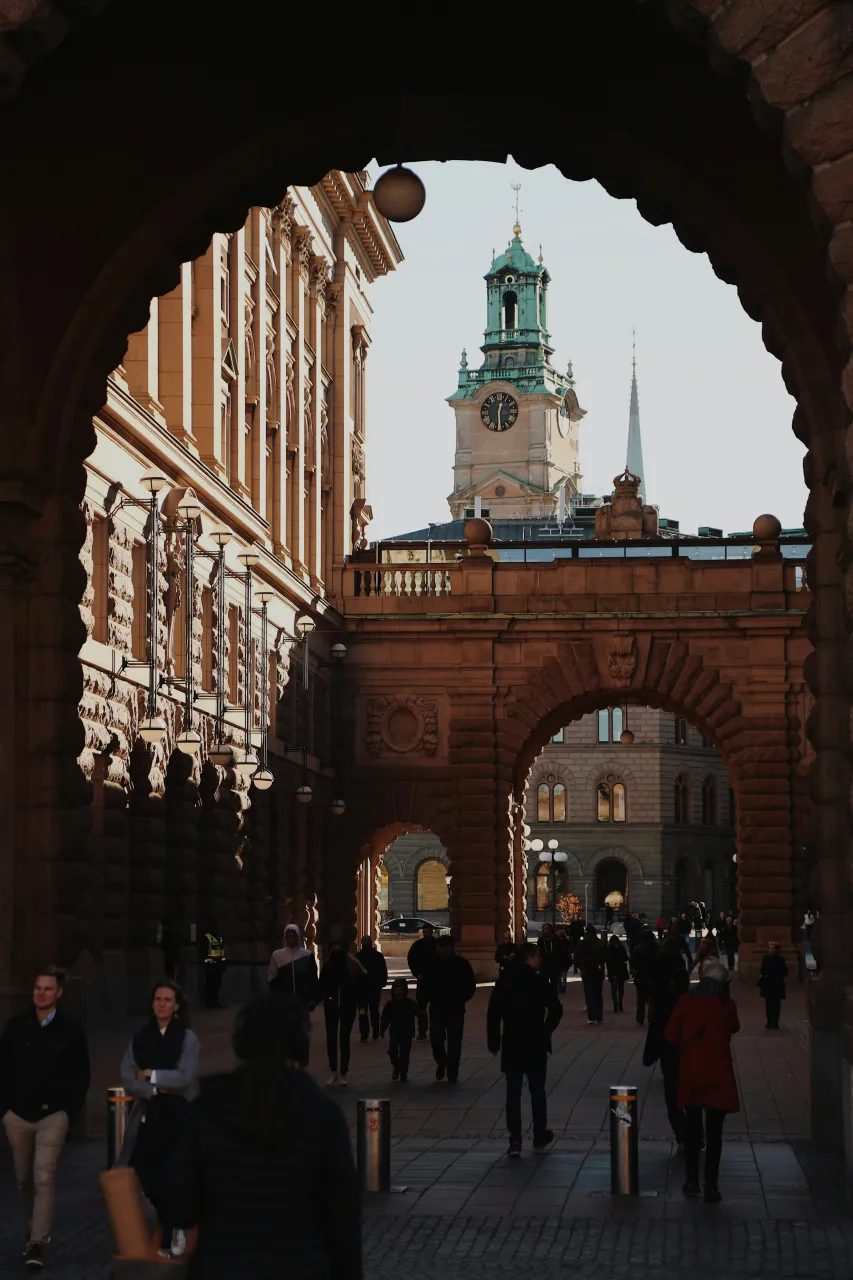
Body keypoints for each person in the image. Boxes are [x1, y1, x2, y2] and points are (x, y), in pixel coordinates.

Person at [163, 996, 360, 1279]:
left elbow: (177, 1203)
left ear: (240, 1043)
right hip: (301, 1266)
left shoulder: (207, 1108)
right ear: (298, 1046)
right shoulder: (322, 1114)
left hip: (221, 1266)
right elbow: (343, 1218)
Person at [0, 967, 90, 1272]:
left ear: (59, 993)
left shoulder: (71, 1030)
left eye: (48, 989)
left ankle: (37, 1241)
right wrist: (5, 1110)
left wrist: (68, 1113)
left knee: (43, 1177)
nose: (42, 993)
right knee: (24, 1178)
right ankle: (33, 1225)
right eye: (38, 988)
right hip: (17, 1116)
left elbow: (81, 1075)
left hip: (53, 1115)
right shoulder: (15, 1027)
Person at [119, 980, 198, 1259]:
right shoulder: (139, 1039)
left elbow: (184, 1077)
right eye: (157, 999)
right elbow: (128, 1078)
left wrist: (151, 1074)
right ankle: (176, 1219)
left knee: (172, 1172)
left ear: (176, 1006)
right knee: (143, 1167)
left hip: (179, 1114)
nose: (161, 1004)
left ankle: (171, 1232)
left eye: (167, 1000)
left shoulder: (187, 1038)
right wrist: (156, 1088)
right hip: (150, 1111)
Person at [665, 956, 740, 1202]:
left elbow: (671, 1037)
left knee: (693, 1130)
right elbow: (734, 1027)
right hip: (718, 1075)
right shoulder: (726, 1006)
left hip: (691, 1073)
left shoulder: (685, 1003)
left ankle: (691, 1181)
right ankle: (712, 1185)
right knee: (715, 1134)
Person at [487, 942, 562, 1157]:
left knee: (513, 1093)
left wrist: (494, 1041)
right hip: (535, 1042)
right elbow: (556, 1009)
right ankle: (539, 1134)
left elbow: (493, 1013)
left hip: (512, 1041)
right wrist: (546, 1030)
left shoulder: (504, 981)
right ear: (529, 958)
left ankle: (515, 1140)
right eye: (538, 956)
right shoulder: (538, 981)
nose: (540, 959)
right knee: (537, 1091)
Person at [643, 932, 690, 1149]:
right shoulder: (678, 964)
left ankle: (682, 1136)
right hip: (679, 1019)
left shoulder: (657, 961)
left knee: (671, 1089)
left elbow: (650, 984)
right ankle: (694, 1135)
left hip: (662, 1016)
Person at [428, 936, 476, 1082]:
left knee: (455, 1042)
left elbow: (470, 985)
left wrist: (461, 999)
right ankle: (442, 1061)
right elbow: (425, 985)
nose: (439, 949)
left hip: (455, 1008)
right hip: (437, 1008)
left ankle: (452, 1072)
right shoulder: (433, 964)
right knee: (436, 1038)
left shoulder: (461, 964)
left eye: (442, 946)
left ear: (449, 947)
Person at [317, 940, 364, 1086]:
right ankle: (334, 1072)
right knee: (332, 1039)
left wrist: (361, 1007)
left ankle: (343, 1072)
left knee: (344, 1039)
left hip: (346, 1006)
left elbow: (359, 985)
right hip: (331, 1006)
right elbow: (322, 986)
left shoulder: (350, 967)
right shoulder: (329, 968)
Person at [268, 924, 318, 1007]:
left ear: (297, 937)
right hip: (284, 1000)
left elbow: (312, 978)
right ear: (285, 938)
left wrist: (312, 999)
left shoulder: (306, 955)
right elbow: (272, 977)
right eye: (289, 937)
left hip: (302, 999)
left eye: (293, 936)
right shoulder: (277, 955)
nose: (291, 939)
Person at [380, 977, 419, 1082]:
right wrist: (382, 1029)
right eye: (397, 991)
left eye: (401, 991)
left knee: (405, 1053)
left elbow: (419, 1013)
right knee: (392, 1051)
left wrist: (423, 1024)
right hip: (394, 1032)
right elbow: (385, 1018)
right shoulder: (390, 1004)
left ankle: (403, 1072)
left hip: (407, 1032)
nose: (399, 994)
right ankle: (398, 1066)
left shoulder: (410, 1003)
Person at [407, 922, 438, 1040]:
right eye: (424, 932)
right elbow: (411, 959)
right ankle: (422, 1031)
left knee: (435, 1007)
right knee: (421, 1007)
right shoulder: (417, 945)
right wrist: (416, 974)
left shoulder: (437, 945)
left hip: (435, 980)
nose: (425, 934)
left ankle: (435, 1030)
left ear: (431, 932)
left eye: (427, 932)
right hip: (423, 979)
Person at [356, 935, 388, 1042]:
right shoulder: (375, 956)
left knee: (368, 1011)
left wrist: (382, 982)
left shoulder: (360, 956)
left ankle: (370, 1032)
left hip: (369, 988)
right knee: (367, 1011)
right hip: (366, 988)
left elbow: (383, 970)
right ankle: (368, 1032)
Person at [574, 924, 607, 1024]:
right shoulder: (601, 943)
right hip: (598, 970)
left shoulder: (582, 943)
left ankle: (591, 1016)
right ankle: (599, 1015)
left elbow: (576, 956)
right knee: (598, 993)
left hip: (586, 970)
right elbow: (606, 956)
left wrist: (580, 966)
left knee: (589, 993)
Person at [629, 928, 657, 1025]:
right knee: (653, 997)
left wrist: (634, 972)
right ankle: (651, 1016)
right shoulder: (656, 948)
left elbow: (632, 962)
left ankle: (640, 1016)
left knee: (641, 997)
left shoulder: (638, 948)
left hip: (641, 975)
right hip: (654, 975)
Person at [758, 941, 788, 1029]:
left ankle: (772, 1021)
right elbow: (785, 973)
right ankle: (772, 1021)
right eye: (770, 948)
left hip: (771, 984)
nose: (771, 950)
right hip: (776, 984)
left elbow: (762, 970)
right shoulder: (780, 960)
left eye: (772, 949)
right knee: (774, 1004)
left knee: (772, 1004)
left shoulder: (768, 959)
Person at [536, 922, 566, 998]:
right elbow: (538, 951)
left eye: (547, 929)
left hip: (554, 965)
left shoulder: (556, 939)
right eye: (544, 929)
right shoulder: (541, 940)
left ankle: (553, 999)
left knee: (554, 985)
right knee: (544, 984)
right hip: (544, 965)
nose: (546, 931)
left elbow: (561, 951)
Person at [202, 926, 226, 1009]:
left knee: (216, 984)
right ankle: (210, 1002)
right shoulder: (208, 940)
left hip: (216, 966)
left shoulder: (218, 940)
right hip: (212, 966)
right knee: (212, 984)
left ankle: (213, 1001)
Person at [605, 934, 629, 1012]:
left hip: (612, 970)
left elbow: (606, 960)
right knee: (621, 988)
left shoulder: (608, 949)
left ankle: (615, 1004)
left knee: (614, 989)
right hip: (621, 970)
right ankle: (620, 1002)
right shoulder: (621, 948)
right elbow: (626, 958)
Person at [555, 926, 571, 992]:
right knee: (564, 974)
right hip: (565, 960)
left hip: (559, 960)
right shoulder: (567, 942)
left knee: (559, 974)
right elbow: (569, 951)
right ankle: (563, 986)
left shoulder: (556, 941)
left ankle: (560, 985)